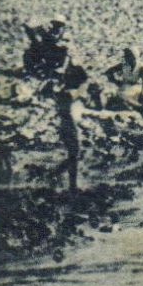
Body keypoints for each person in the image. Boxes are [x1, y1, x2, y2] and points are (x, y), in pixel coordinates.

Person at [52, 63, 88, 192]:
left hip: (66, 124)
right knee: (74, 155)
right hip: (69, 124)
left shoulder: (64, 91)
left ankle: (59, 176)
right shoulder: (69, 93)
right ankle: (66, 181)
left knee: (74, 155)